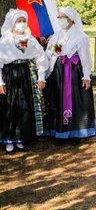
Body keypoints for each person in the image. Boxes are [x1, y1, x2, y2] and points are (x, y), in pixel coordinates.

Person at [43, 7, 96, 144]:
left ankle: (74, 133)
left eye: (63, 17)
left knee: (72, 101)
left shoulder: (80, 37)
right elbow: (49, 53)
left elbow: (85, 58)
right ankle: (59, 131)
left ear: (71, 19)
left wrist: (86, 75)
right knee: (57, 99)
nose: (60, 19)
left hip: (72, 72)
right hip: (58, 71)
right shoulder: (56, 35)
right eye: (59, 17)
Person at [0, 9, 49, 153]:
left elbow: (41, 57)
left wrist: (41, 77)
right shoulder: (4, 41)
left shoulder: (30, 40)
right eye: (18, 21)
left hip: (25, 75)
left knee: (24, 107)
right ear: (12, 23)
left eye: (23, 21)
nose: (21, 24)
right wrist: (0, 82)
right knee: (10, 107)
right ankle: (9, 139)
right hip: (10, 75)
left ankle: (21, 137)